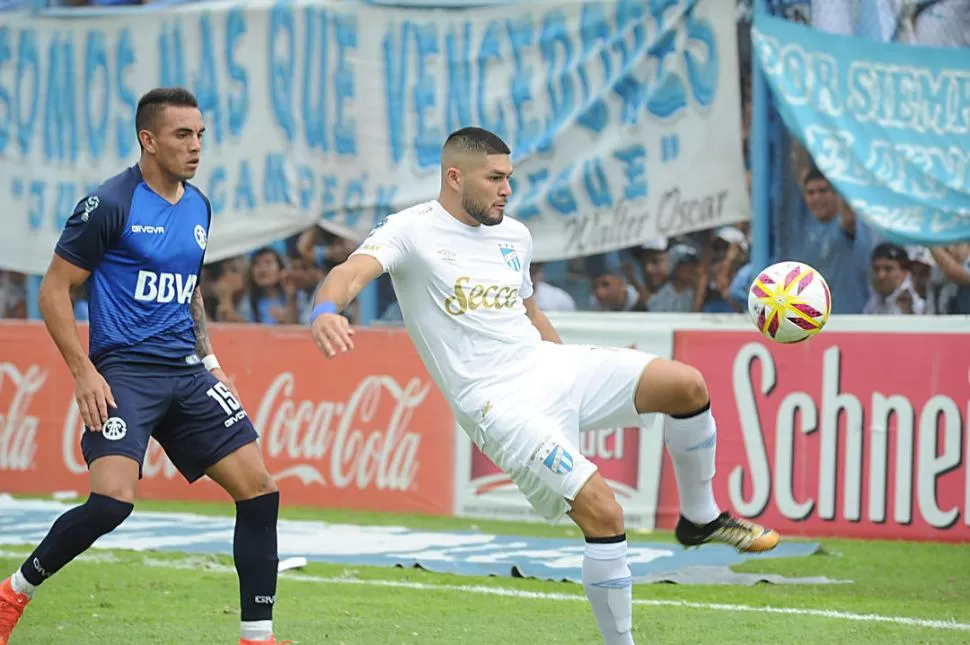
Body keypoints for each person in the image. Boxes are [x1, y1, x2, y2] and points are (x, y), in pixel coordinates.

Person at [309, 127, 780, 645]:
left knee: (685, 385)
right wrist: (327, 309)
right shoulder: (409, 231)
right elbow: (349, 273)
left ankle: (700, 518)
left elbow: (528, 311)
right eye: (494, 179)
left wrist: (575, 366)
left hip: (548, 366)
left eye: (509, 178)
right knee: (604, 511)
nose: (506, 189)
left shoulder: (514, 234)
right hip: (499, 403)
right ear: (453, 178)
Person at [0, 88, 287, 645]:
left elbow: (190, 290)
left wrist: (211, 360)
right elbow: (54, 292)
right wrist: (85, 372)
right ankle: (13, 592)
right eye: (183, 135)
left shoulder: (200, 205)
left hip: (188, 371)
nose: (197, 145)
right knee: (111, 503)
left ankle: (257, 637)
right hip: (126, 372)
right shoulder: (110, 204)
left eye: (201, 134)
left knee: (261, 490)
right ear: (148, 140)